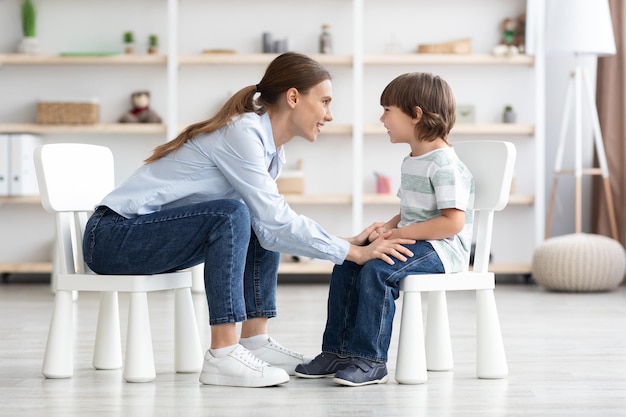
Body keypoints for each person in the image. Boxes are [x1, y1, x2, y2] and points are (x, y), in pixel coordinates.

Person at [82, 52, 416, 388]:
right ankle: (222, 354)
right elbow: (276, 219)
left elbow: (271, 230)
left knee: (250, 217)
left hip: (146, 238)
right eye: (325, 101)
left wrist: (346, 242)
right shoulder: (241, 133)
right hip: (112, 238)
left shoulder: (272, 151)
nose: (329, 115)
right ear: (294, 97)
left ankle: (254, 341)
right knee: (232, 214)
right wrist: (352, 253)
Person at [295, 72, 475, 386]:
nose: (382, 118)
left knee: (378, 269)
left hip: (445, 248)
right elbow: (409, 213)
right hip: (420, 240)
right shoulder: (414, 160)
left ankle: (370, 359)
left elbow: (452, 222)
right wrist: (385, 229)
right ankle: (339, 351)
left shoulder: (444, 163)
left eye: (387, 110)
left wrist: (400, 234)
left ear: (416, 115)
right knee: (350, 259)